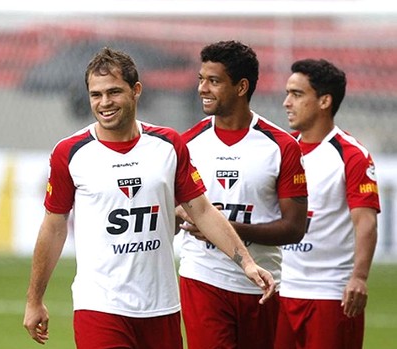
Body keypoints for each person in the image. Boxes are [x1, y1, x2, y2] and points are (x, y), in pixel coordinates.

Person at [22, 47, 276, 349]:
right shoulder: (70, 153)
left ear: (136, 91)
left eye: (114, 92)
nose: (104, 103)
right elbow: (54, 227)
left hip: (162, 308)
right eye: (96, 94)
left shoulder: (168, 145)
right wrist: (34, 300)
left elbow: (203, 212)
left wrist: (246, 263)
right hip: (100, 306)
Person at [176, 40, 308, 349]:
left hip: (261, 284)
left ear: (241, 86)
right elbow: (171, 207)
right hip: (202, 277)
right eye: (200, 79)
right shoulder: (186, 144)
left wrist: (224, 230)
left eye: (214, 81)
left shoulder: (282, 146)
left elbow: (294, 228)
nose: (202, 88)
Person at [275, 59, 380, 349]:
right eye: (287, 93)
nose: (286, 102)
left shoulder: (351, 155)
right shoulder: (280, 151)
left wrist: (359, 277)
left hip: (331, 294)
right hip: (282, 289)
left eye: (297, 94)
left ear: (324, 101)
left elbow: (366, 221)